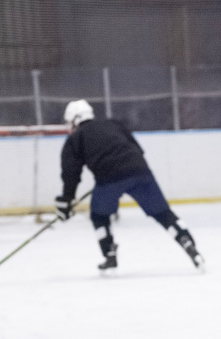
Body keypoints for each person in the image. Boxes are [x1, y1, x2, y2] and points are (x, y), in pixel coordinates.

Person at [55, 99, 204, 272]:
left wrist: (67, 199)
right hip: (140, 172)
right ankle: (186, 242)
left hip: (108, 180)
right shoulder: (114, 124)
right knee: (163, 213)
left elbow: (70, 172)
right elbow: (138, 149)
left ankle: (109, 253)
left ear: (75, 119)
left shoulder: (75, 138)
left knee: (99, 216)